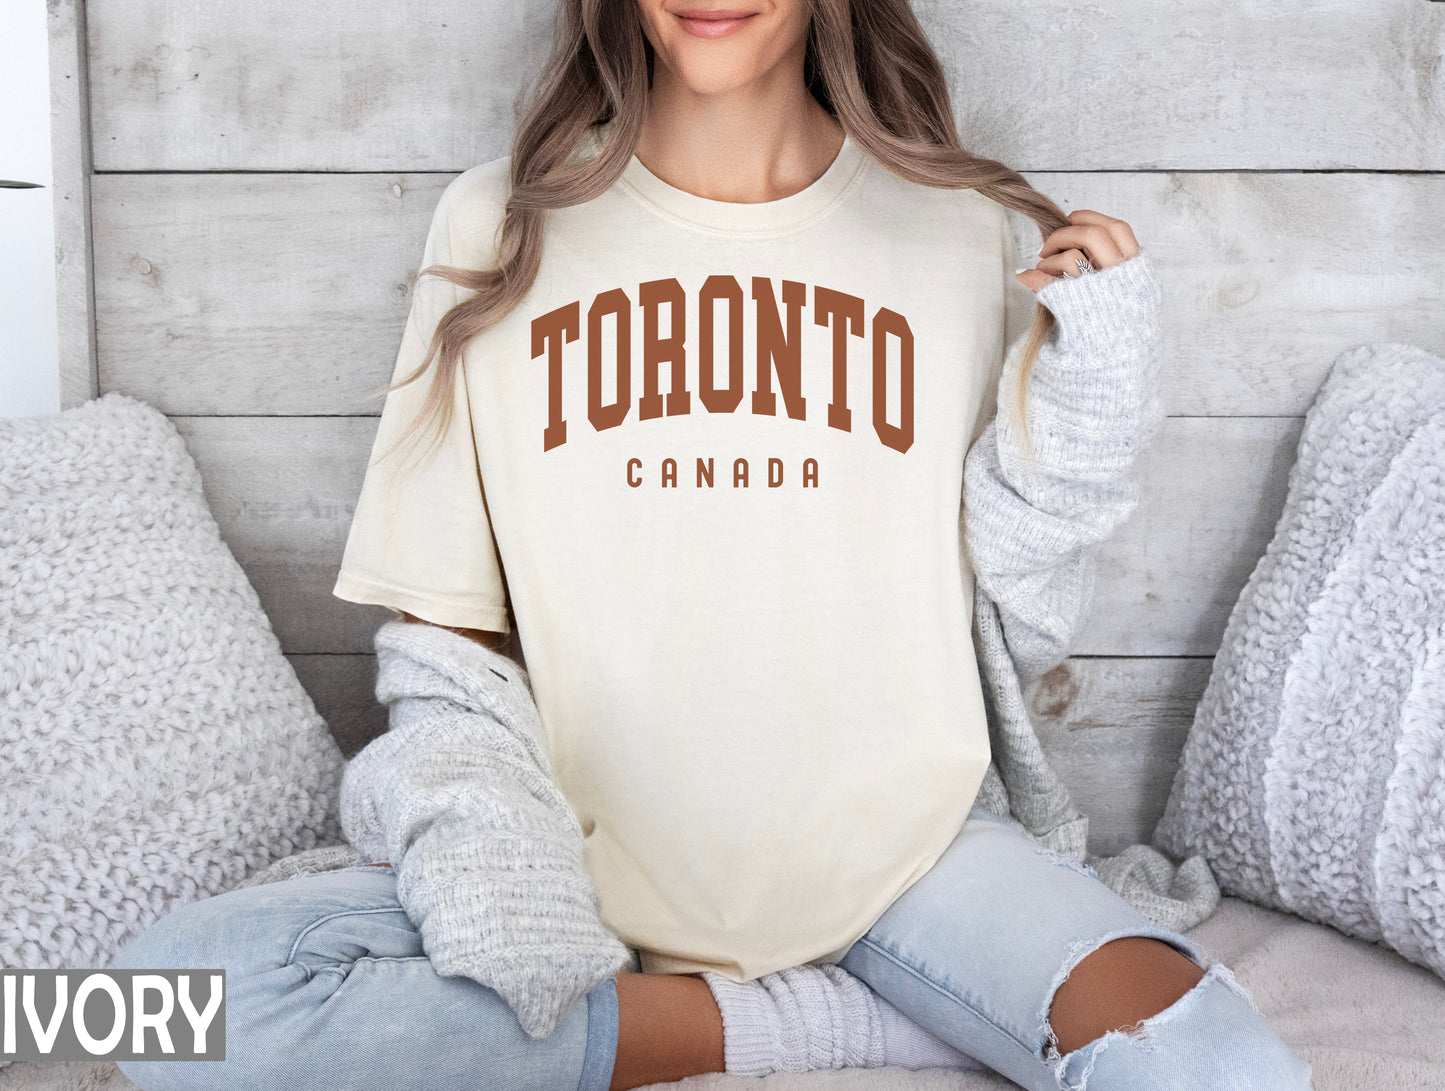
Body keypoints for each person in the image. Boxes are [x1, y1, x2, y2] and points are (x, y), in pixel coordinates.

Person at [113, 1, 1315, 1089]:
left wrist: (1094, 406)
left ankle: (820, 997)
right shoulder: (499, 223)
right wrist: (493, 871)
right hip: (578, 866)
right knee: (133, 1014)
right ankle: (824, 1019)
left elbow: (1020, 586)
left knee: (1221, 1066)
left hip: (909, 863)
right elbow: (444, 631)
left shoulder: (967, 229)